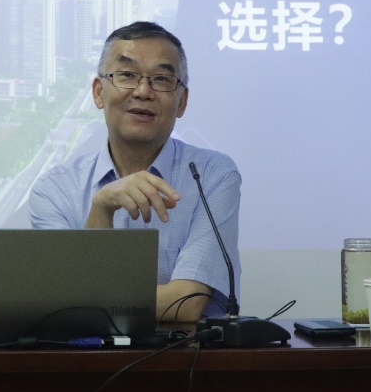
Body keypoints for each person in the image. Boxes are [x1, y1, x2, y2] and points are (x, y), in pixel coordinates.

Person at [28, 21, 241, 322]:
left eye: (161, 79)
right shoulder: (55, 190)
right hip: (86, 353)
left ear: (182, 101)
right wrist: (101, 209)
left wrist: (88, 299)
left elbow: (187, 303)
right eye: (127, 75)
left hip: (186, 351)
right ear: (98, 92)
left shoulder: (211, 175)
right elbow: (64, 303)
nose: (143, 91)